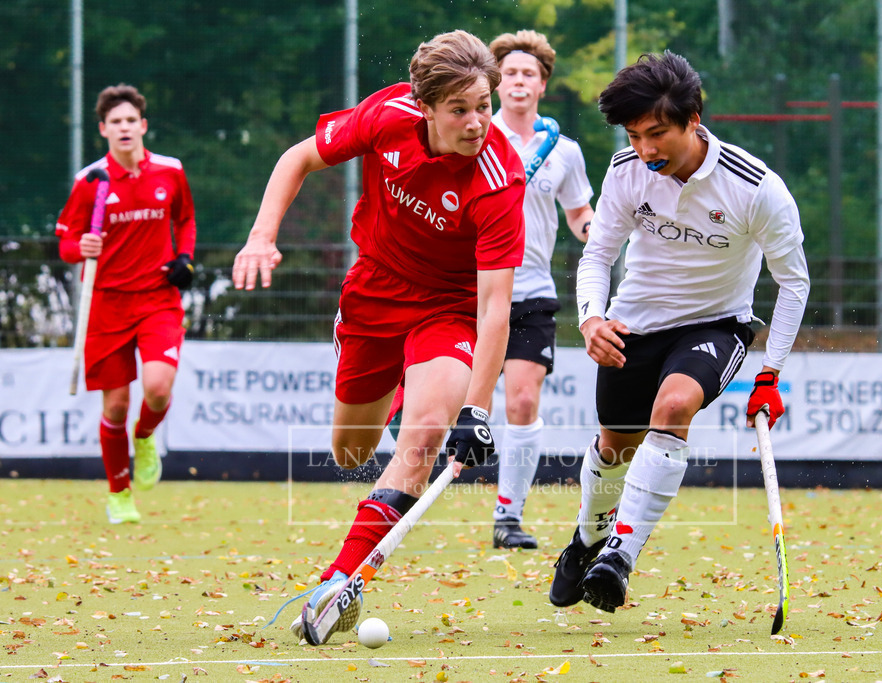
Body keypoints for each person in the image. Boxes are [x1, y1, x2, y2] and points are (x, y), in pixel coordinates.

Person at [231, 30, 526, 643]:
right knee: (349, 452)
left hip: (451, 310)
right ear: (426, 107)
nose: (476, 123)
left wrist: (476, 405)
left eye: (484, 106)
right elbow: (298, 158)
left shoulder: (499, 179)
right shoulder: (386, 115)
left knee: (422, 439)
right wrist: (262, 235)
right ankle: (405, 400)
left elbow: (496, 305)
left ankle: (339, 581)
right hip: (374, 292)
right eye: (459, 110)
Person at [548, 51, 810, 613]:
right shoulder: (625, 171)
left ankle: (619, 556)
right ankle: (586, 541)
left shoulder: (757, 188)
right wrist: (591, 317)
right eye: (635, 135)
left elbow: (794, 284)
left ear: (694, 118)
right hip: (634, 325)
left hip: (716, 326)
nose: (646, 149)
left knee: (672, 408)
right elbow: (597, 254)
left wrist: (770, 374)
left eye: (658, 133)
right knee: (614, 447)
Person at [56, 84, 197, 524]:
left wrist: (185, 259)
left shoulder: (170, 171)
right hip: (106, 305)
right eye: (115, 122)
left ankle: (145, 438)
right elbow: (63, 244)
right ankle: (119, 493)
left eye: (130, 121)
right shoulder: (90, 181)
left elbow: (186, 219)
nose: (123, 128)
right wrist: (84, 246)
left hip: (158, 300)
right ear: (103, 129)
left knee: (157, 388)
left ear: (143, 126)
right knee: (115, 405)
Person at [487, 30, 594, 550]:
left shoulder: (564, 152)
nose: (518, 81)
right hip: (473, 292)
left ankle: (507, 517)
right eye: (509, 73)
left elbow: (579, 216)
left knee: (524, 401)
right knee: (460, 405)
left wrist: (608, 233)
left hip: (531, 291)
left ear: (542, 85)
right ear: (495, 82)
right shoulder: (474, 135)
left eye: (528, 73)